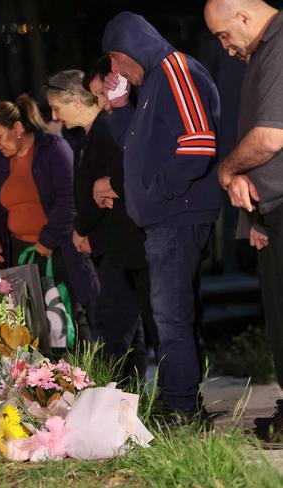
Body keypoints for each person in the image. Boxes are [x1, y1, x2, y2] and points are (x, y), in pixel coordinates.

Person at [101, 12, 222, 419]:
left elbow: (200, 142)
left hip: (178, 216)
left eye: (116, 58)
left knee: (169, 318)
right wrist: (119, 107)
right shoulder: (153, 82)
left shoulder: (175, 70)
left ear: (135, 46)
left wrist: (159, 192)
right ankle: (181, 401)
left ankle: (181, 409)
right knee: (169, 315)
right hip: (164, 218)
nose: (114, 70)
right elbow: (135, 146)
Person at [45, 69, 157, 379]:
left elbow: (108, 192)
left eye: (57, 107)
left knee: (117, 326)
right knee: (122, 327)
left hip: (121, 244)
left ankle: (120, 396)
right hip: (108, 243)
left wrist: (83, 228)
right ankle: (127, 397)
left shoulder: (106, 132)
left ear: (76, 101)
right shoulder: (88, 135)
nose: (54, 115)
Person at [204, 0, 283, 438]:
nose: (226, 46)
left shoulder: (280, 44)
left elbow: (270, 137)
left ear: (245, 17)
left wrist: (228, 170)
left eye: (223, 35)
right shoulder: (263, 50)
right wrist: (253, 217)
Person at [0, 94, 99, 342]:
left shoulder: (53, 150)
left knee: (67, 314)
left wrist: (47, 239)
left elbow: (69, 199)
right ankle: (47, 378)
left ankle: (86, 374)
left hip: (57, 250)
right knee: (32, 320)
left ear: (18, 128)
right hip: (21, 252)